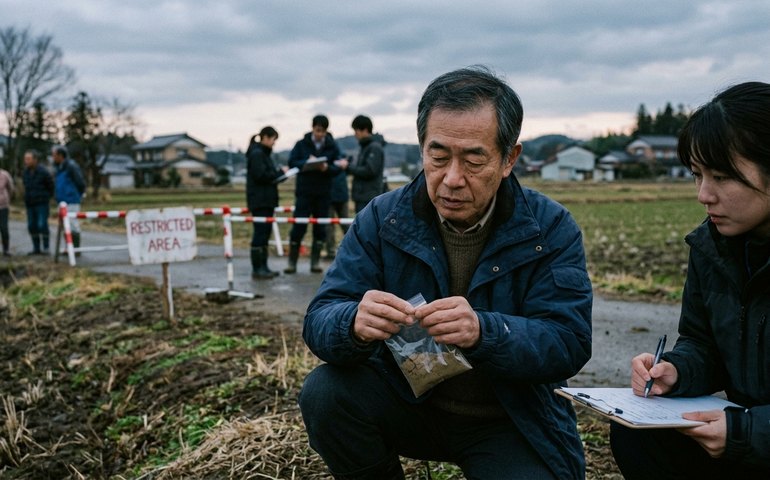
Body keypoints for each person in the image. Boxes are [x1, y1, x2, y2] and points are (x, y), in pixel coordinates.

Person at [298, 66, 593, 479]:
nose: (452, 179)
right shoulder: (384, 218)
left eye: (474, 160)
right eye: (438, 158)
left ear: (509, 159)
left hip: (507, 420)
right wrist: (352, 323)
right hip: (409, 403)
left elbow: (569, 341)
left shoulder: (549, 228)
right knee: (327, 393)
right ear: (422, 149)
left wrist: (485, 331)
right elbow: (320, 316)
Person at [610, 82, 770, 479]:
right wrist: (676, 370)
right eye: (697, 175)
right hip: (745, 434)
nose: (704, 194)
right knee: (639, 434)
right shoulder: (713, 247)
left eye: (722, 177)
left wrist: (751, 432)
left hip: (755, 435)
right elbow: (703, 343)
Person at [284, 114, 348, 274]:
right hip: (304, 192)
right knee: (299, 226)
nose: (320, 134)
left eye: (323, 131)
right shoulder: (301, 144)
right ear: (313, 128)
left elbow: (338, 166)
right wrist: (306, 162)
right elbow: (292, 162)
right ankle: (292, 262)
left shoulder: (332, 146)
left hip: (323, 192)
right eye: (318, 130)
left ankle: (315, 261)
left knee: (320, 228)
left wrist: (327, 168)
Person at [245, 126, 287, 279]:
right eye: (273, 139)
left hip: (265, 199)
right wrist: (279, 173)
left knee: (264, 234)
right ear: (265, 137)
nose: (274, 143)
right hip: (260, 200)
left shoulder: (261, 153)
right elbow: (261, 175)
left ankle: (263, 266)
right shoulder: (257, 154)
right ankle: (258, 268)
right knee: (260, 233)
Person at [347, 114, 386, 213]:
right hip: (363, 196)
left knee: (366, 227)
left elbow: (369, 171)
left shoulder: (374, 148)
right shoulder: (365, 147)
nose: (355, 134)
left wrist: (349, 167)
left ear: (365, 130)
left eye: (356, 131)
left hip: (368, 197)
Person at [52, 145, 86, 253]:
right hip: (61, 201)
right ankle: (68, 247)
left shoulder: (71, 166)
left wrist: (77, 195)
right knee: (64, 225)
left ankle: (76, 249)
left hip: (71, 200)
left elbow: (80, 182)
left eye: (55, 155)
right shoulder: (58, 167)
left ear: (60, 155)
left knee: (72, 224)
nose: (53, 157)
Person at [22, 150, 54, 255]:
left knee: (42, 224)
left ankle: (46, 247)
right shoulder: (25, 172)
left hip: (42, 203)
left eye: (28, 159)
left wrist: (46, 197)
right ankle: (36, 248)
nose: (26, 161)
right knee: (32, 225)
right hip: (30, 203)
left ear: (35, 160)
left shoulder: (43, 172)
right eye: (25, 159)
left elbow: (51, 186)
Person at [324, 166, 350, 260]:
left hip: (332, 196)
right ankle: (350, 249)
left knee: (331, 226)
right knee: (344, 224)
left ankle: (331, 251)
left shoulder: (328, 162)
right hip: (338, 195)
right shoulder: (341, 160)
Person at [0, 166, 14, 256]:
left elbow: (11, 188)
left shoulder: (4, 174)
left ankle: (6, 249)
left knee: (4, 228)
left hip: (3, 207)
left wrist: (6, 199)